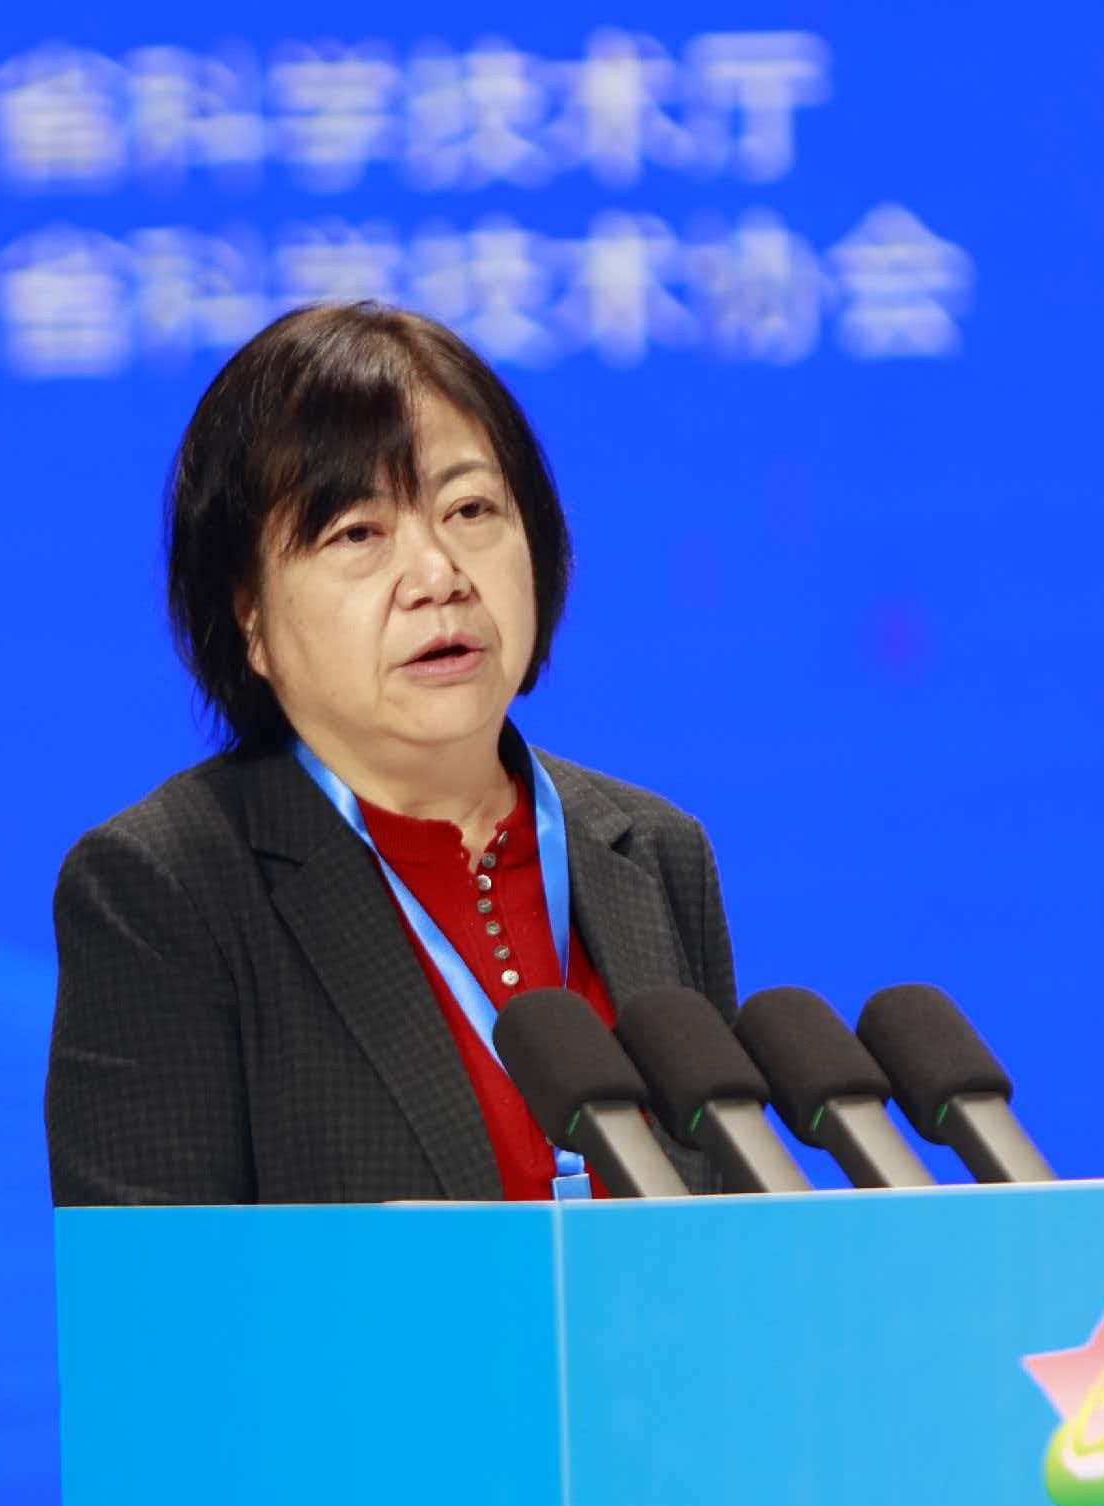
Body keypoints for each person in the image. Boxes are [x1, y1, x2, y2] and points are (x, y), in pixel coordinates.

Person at [47, 303, 738, 1205]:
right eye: (358, 533)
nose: (439, 575)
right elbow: (158, 1290)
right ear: (250, 616)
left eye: (471, 509)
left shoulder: (652, 852)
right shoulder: (168, 890)